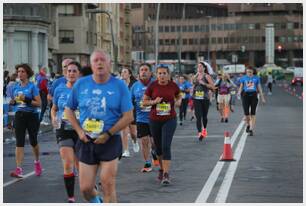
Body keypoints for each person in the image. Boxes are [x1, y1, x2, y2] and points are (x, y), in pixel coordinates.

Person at [65, 50, 134, 203]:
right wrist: (79, 131)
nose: (99, 63)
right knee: (86, 189)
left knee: (108, 184)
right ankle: (97, 202)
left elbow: (129, 116)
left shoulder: (119, 86)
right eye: (96, 60)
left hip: (110, 140)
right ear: (91, 64)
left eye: (103, 60)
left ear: (110, 64)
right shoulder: (81, 84)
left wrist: (108, 134)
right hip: (86, 140)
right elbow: (68, 110)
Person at [142, 64, 181, 185]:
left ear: (168, 75)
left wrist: (178, 101)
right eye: (160, 73)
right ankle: (161, 168)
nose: (162, 75)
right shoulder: (152, 86)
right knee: (158, 148)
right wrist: (154, 101)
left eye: (164, 73)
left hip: (169, 119)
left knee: (165, 146)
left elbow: (179, 95)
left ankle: (166, 174)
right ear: (156, 75)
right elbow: (144, 102)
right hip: (155, 120)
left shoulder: (173, 85)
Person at [51, 61, 81, 203]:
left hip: (81, 129)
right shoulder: (59, 90)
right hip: (63, 129)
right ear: (65, 73)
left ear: (79, 74)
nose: (71, 73)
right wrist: (53, 118)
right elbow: (54, 108)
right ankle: (71, 197)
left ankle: (89, 186)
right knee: (68, 163)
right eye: (69, 71)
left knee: (81, 164)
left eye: (74, 71)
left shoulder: (84, 90)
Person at [9, 64, 42, 178]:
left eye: (22, 71)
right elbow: (15, 101)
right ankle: (19, 169)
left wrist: (27, 99)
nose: (20, 73)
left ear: (27, 73)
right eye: (18, 71)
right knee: (19, 141)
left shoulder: (32, 87)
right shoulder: (15, 87)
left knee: (33, 140)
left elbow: (39, 103)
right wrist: (13, 102)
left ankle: (37, 161)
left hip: (32, 116)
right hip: (20, 115)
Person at [131, 63, 158, 172]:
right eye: (141, 70)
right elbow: (129, 101)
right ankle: (147, 163)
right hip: (141, 118)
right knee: (144, 140)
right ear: (139, 73)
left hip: (154, 118)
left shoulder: (156, 84)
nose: (143, 72)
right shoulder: (134, 86)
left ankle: (154, 152)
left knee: (154, 142)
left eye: (146, 70)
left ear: (150, 73)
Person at [238, 66, 266, 136]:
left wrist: (262, 98)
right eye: (247, 72)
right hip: (245, 95)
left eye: (250, 72)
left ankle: (251, 129)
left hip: (253, 95)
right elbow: (241, 86)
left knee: (253, 113)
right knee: (246, 113)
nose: (249, 73)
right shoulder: (243, 78)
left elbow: (259, 88)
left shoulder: (256, 78)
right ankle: (248, 124)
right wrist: (238, 93)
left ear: (253, 72)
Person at [192, 61, 215, 141]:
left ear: (204, 68)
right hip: (196, 98)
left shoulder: (207, 76)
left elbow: (213, 86)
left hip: (205, 99)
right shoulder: (195, 76)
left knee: (204, 116)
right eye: (198, 66)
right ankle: (199, 133)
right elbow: (193, 86)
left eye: (201, 66)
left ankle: (204, 129)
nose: (199, 68)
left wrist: (204, 84)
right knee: (198, 117)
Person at [120, 67, 139, 157]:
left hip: (132, 110)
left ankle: (135, 141)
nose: (122, 73)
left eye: (125, 72)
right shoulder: (119, 84)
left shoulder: (134, 84)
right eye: (122, 72)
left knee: (133, 133)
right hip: (122, 111)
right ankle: (126, 150)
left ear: (129, 74)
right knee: (124, 131)